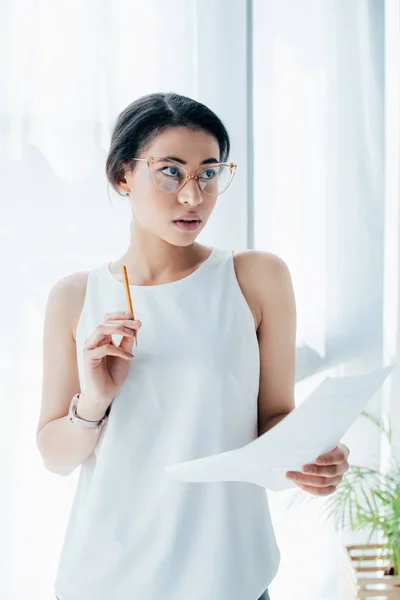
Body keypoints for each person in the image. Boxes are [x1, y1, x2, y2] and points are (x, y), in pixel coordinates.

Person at [36, 92, 349, 600]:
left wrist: (312, 454)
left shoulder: (256, 277)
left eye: (209, 172)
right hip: (107, 580)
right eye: (170, 172)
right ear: (122, 176)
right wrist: (93, 402)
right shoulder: (77, 296)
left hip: (230, 578)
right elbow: (55, 455)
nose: (193, 195)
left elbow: (273, 417)